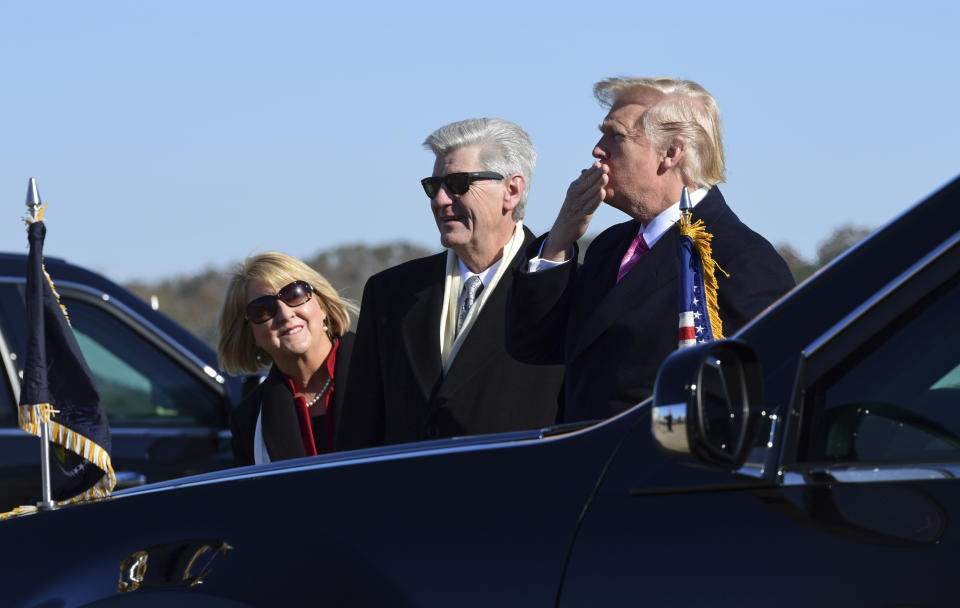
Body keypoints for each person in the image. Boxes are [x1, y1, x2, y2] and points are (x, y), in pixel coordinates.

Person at [507, 77, 795, 423]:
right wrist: (557, 243)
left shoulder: (740, 259)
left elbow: (767, 396)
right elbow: (533, 345)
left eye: (616, 136)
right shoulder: (609, 247)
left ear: (671, 153)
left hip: (661, 471)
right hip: (583, 465)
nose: (598, 150)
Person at [337, 118, 563, 450]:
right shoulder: (390, 294)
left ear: (512, 191)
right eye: (433, 186)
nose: (440, 200)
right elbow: (360, 433)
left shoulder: (563, 290)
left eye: (457, 184)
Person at [218, 252, 356, 465]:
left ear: (323, 306)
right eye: (263, 309)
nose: (285, 314)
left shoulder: (384, 367)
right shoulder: (251, 421)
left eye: (295, 294)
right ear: (249, 334)